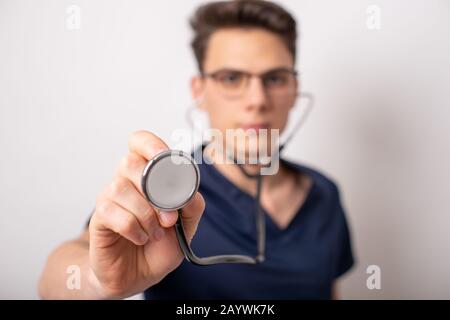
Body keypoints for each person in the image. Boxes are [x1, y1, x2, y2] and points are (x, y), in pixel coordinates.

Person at [39, 0, 355, 299]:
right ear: (199, 91)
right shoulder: (166, 190)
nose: (257, 100)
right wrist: (98, 281)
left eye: (275, 78)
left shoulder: (324, 194)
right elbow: (59, 272)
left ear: (294, 89)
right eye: (231, 78)